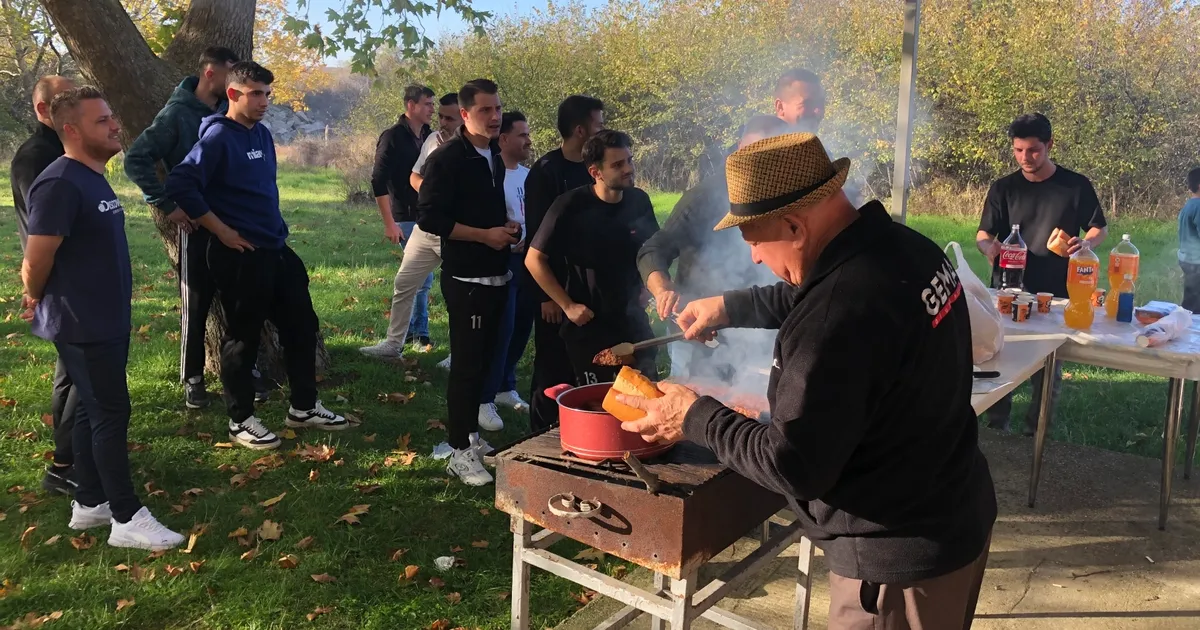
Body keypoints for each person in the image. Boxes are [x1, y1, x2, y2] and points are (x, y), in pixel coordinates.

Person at [618, 133, 997, 630]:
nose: (755, 258)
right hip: (956, 507)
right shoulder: (906, 250)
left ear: (795, 226)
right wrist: (728, 307)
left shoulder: (835, 316)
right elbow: (817, 292)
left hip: (895, 563)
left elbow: (792, 464)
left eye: (755, 242)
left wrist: (693, 416)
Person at [21, 86, 185, 549]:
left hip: (105, 316)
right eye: (102, 121)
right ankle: (127, 516)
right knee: (111, 413)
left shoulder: (90, 175)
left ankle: (90, 502)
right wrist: (34, 296)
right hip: (82, 321)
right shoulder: (59, 183)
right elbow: (36, 259)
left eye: (112, 117)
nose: (115, 126)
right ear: (71, 131)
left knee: (92, 412)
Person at [165, 61, 348, 450]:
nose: (264, 101)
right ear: (233, 94)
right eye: (256, 94)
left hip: (275, 248)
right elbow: (180, 182)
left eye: (267, 94)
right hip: (239, 255)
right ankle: (241, 420)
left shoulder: (262, 134)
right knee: (242, 339)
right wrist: (220, 230)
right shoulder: (217, 137)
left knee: (302, 326)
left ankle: (304, 407)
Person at [124, 46, 240, 410]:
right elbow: (136, 159)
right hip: (196, 224)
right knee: (197, 304)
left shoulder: (230, 110)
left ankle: (242, 372)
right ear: (210, 73)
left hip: (235, 222)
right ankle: (193, 378)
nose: (234, 83)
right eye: (229, 74)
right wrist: (167, 204)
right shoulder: (176, 114)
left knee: (239, 300)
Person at [976, 113, 1107, 435]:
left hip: (1056, 290)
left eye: (1033, 150)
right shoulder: (1003, 188)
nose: (1025, 157)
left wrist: (1085, 244)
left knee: (1049, 367)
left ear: (1049, 145)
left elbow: (1098, 228)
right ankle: (996, 427)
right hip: (1008, 289)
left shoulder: (1074, 185)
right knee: (999, 358)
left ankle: (1036, 431)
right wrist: (989, 249)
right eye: (1018, 150)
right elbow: (983, 234)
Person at [417, 78, 518, 486]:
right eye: (485, 110)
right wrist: (483, 236)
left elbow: (484, 209)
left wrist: (505, 228)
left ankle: (473, 438)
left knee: (487, 363)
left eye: (498, 109)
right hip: (466, 279)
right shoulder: (446, 159)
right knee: (466, 366)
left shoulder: (493, 154)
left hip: (498, 273)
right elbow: (429, 218)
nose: (494, 117)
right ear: (464, 114)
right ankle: (457, 450)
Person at [639, 115, 788, 382]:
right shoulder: (704, 197)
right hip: (698, 331)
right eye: (752, 154)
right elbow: (654, 249)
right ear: (740, 148)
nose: (759, 166)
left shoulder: (785, 192)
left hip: (757, 327)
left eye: (770, 158)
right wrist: (662, 290)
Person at [527, 130, 661, 384]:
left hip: (632, 319)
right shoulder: (569, 205)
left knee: (646, 392)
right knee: (598, 400)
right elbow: (533, 259)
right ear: (595, 172)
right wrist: (567, 306)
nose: (628, 169)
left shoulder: (639, 200)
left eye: (629, 160)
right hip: (589, 325)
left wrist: (648, 285)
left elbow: (653, 248)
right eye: (617, 165)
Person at [10, 75, 76, 497]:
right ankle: (64, 465)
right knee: (76, 376)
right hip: (63, 284)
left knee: (74, 372)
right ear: (41, 109)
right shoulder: (37, 158)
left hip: (78, 282)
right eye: (64, 99)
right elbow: (44, 236)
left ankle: (75, 455)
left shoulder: (63, 150)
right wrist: (35, 288)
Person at [359, 92, 461, 362]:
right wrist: (428, 192)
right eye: (440, 116)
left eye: (449, 118)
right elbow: (414, 175)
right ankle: (393, 344)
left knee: (457, 292)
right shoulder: (431, 138)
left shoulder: (476, 147)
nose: (442, 122)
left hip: (455, 230)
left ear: (465, 117)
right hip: (423, 226)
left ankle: (459, 354)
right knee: (405, 283)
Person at [523, 95, 605, 430]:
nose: (603, 131)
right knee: (552, 364)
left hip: (589, 285)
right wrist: (548, 297)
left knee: (585, 362)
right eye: (599, 125)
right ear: (580, 130)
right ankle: (541, 430)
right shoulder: (546, 172)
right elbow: (535, 240)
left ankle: (582, 423)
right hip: (555, 290)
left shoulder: (594, 168)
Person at [366, 84, 434, 354]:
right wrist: (389, 223)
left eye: (432, 104)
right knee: (419, 278)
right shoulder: (392, 137)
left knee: (420, 278)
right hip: (404, 215)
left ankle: (413, 334)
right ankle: (418, 334)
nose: (432, 109)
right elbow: (377, 180)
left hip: (427, 214)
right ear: (411, 105)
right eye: (427, 104)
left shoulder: (429, 135)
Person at [478, 111, 535, 427]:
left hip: (529, 261)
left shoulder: (529, 176)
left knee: (522, 324)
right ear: (503, 139)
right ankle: (483, 399)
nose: (528, 140)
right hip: (502, 261)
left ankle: (505, 387)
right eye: (522, 135)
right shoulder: (490, 174)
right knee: (502, 329)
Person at [774, 68, 826, 132]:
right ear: (780, 107)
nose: (818, 111)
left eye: (820, 104)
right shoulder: (764, 137)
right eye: (808, 103)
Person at [1178, 168, 1200, 312]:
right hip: (1197, 262)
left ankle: (1184, 321)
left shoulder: (1189, 205)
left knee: (1191, 302)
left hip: (1187, 260)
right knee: (1196, 307)